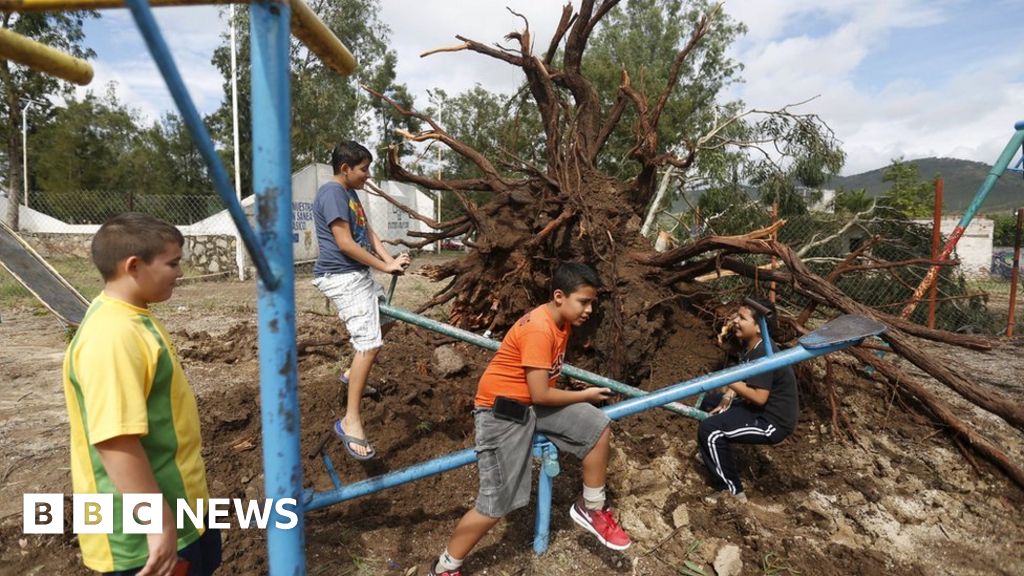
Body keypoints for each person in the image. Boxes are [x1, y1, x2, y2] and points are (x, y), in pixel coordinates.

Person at [425, 263, 631, 576]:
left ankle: (591, 507)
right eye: (584, 302)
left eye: (592, 302)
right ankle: (444, 567)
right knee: (496, 503)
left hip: (530, 405)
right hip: (501, 414)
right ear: (559, 296)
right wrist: (585, 394)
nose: (589, 309)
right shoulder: (539, 328)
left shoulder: (561, 322)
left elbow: (539, 394)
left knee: (596, 425)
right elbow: (541, 395)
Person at [62, 212, 220, 575]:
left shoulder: (133, 317)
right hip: (141, 539)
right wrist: (157, 523)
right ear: (133, 266)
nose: (179, 272)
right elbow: (115, 439)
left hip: (179, 511)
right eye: (173, 263)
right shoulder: (113, 336)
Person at [312, 140, 410, 460]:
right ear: (345, 169)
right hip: (341, 276)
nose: (368, 176)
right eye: (364, 169)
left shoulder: (350, 194)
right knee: (368, 342)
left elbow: (368, 235)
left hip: (357, 274)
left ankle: (351, 375)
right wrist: (383, 266)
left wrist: (390, 259)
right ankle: (350, 421)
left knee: (386, 320)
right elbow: (344, 243)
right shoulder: (332, 193)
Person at [696, 298, 798, 503]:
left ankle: (731, 491)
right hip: (756, 410)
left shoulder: (763, 354)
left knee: (710, 430)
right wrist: (728, 395)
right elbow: (746, 378)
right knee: (710, 402)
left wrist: (728, 379)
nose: (735, 320)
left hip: (771, 422)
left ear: (759, 328)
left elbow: (760, 398)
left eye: (742, 318)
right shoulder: (752, 346)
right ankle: (714, 455)